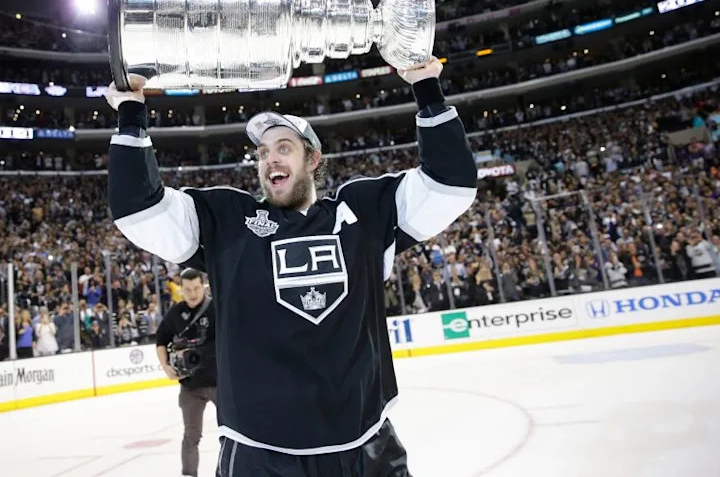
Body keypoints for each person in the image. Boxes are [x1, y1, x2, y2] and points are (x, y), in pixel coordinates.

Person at [106, 58, 477, 476]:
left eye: (284, 148)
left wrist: (427, 87)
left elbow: (451, 186)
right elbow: (139, 210)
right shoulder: (228, 221)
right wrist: (131, 115)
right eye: (263, 152)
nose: (269, 160)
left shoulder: (364, 214)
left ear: (313, 158)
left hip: (363, 446)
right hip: (258, 453)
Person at [155, 268, 218, 477]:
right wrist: (166, 367)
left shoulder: (215, 308)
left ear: (204, 286)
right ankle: (189, 474)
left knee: (232, 433)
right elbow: (161, 340)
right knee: (191, 435)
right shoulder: (175, 313)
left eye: (197, 288)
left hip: (221, 384)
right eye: (188, 289)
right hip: (191, 386)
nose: (193, 293)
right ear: (181, 289)